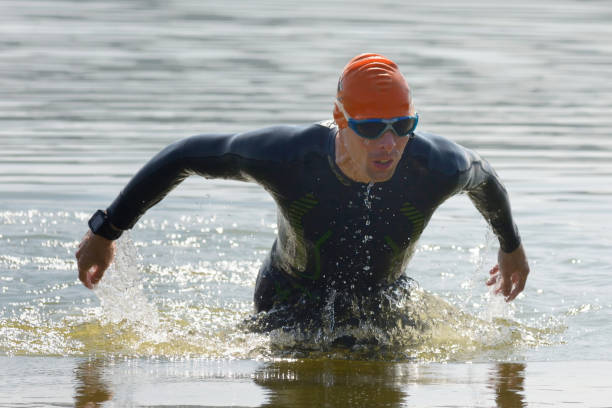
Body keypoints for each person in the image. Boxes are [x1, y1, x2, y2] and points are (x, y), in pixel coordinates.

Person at [76, 53, 529, 316]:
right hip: (287, 302)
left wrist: (511, 247)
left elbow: (484, 178)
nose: (389, 144)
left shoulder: (438, 166)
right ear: (340, 119)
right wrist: (105, 230)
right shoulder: (290, 157)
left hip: (384, 303)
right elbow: (185, 155)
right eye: (371, 129)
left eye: (403, 126)